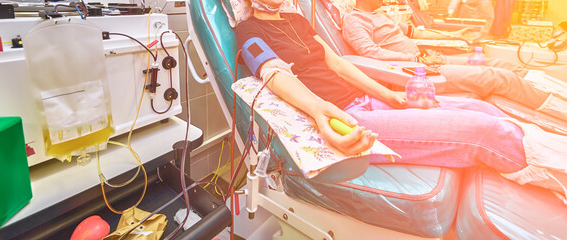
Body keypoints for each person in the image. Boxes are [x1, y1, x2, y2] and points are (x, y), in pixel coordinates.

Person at [235, 0, 567, 182]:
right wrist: (321, 111)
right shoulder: (249, 29)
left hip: (367, 102)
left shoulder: (299, 22)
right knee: (487, 132)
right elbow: (272, 73)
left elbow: (339, 65)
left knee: (485, 110)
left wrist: (390, 96)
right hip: (345, 117)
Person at [341, 0, 558, 114]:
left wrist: (454, 35)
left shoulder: (381, 14)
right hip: (411, 73)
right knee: (500, 77)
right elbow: (369, 53)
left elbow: (417, 33)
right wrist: (412, 59)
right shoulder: (355, 20)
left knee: (500, 63)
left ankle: (552, 91)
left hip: (426, 61)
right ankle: (557, 109)